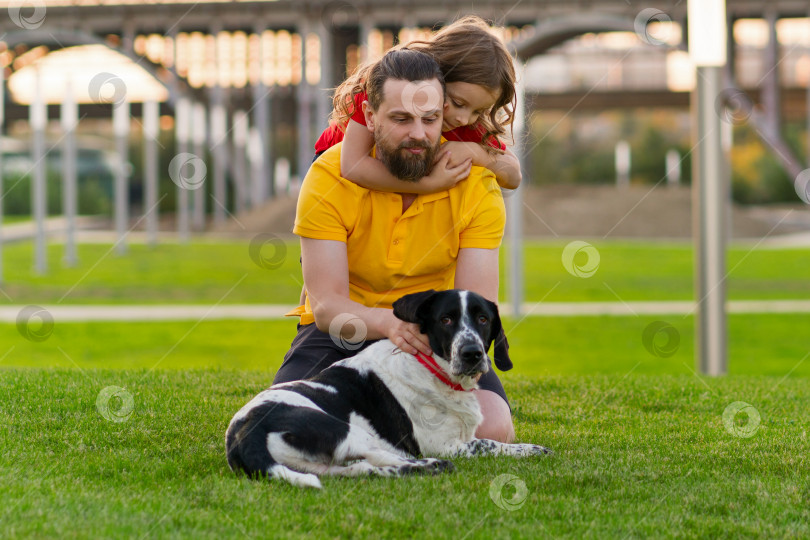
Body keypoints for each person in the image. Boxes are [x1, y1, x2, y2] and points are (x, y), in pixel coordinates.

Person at [279, 48, 515, 443]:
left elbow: (475, 304)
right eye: (401, 119)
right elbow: (327, 307)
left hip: (438, 328)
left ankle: (389, 434)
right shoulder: (328, 176)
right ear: (370, 116)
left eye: (430, 119)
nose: (419, 134)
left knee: (492, 430)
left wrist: (423, 333)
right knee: (294, 424)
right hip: (346, 327)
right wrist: (389, 325)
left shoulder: (478, 186)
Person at [314, 15, 522, 193]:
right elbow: (352, 166)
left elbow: (513, 175)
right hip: (335, 177)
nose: (464, 119)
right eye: (458, 103)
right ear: (438, 76)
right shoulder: (386, 84)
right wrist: (429, 185)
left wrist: (473, 152)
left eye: (478, 111)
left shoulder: (460, 119)